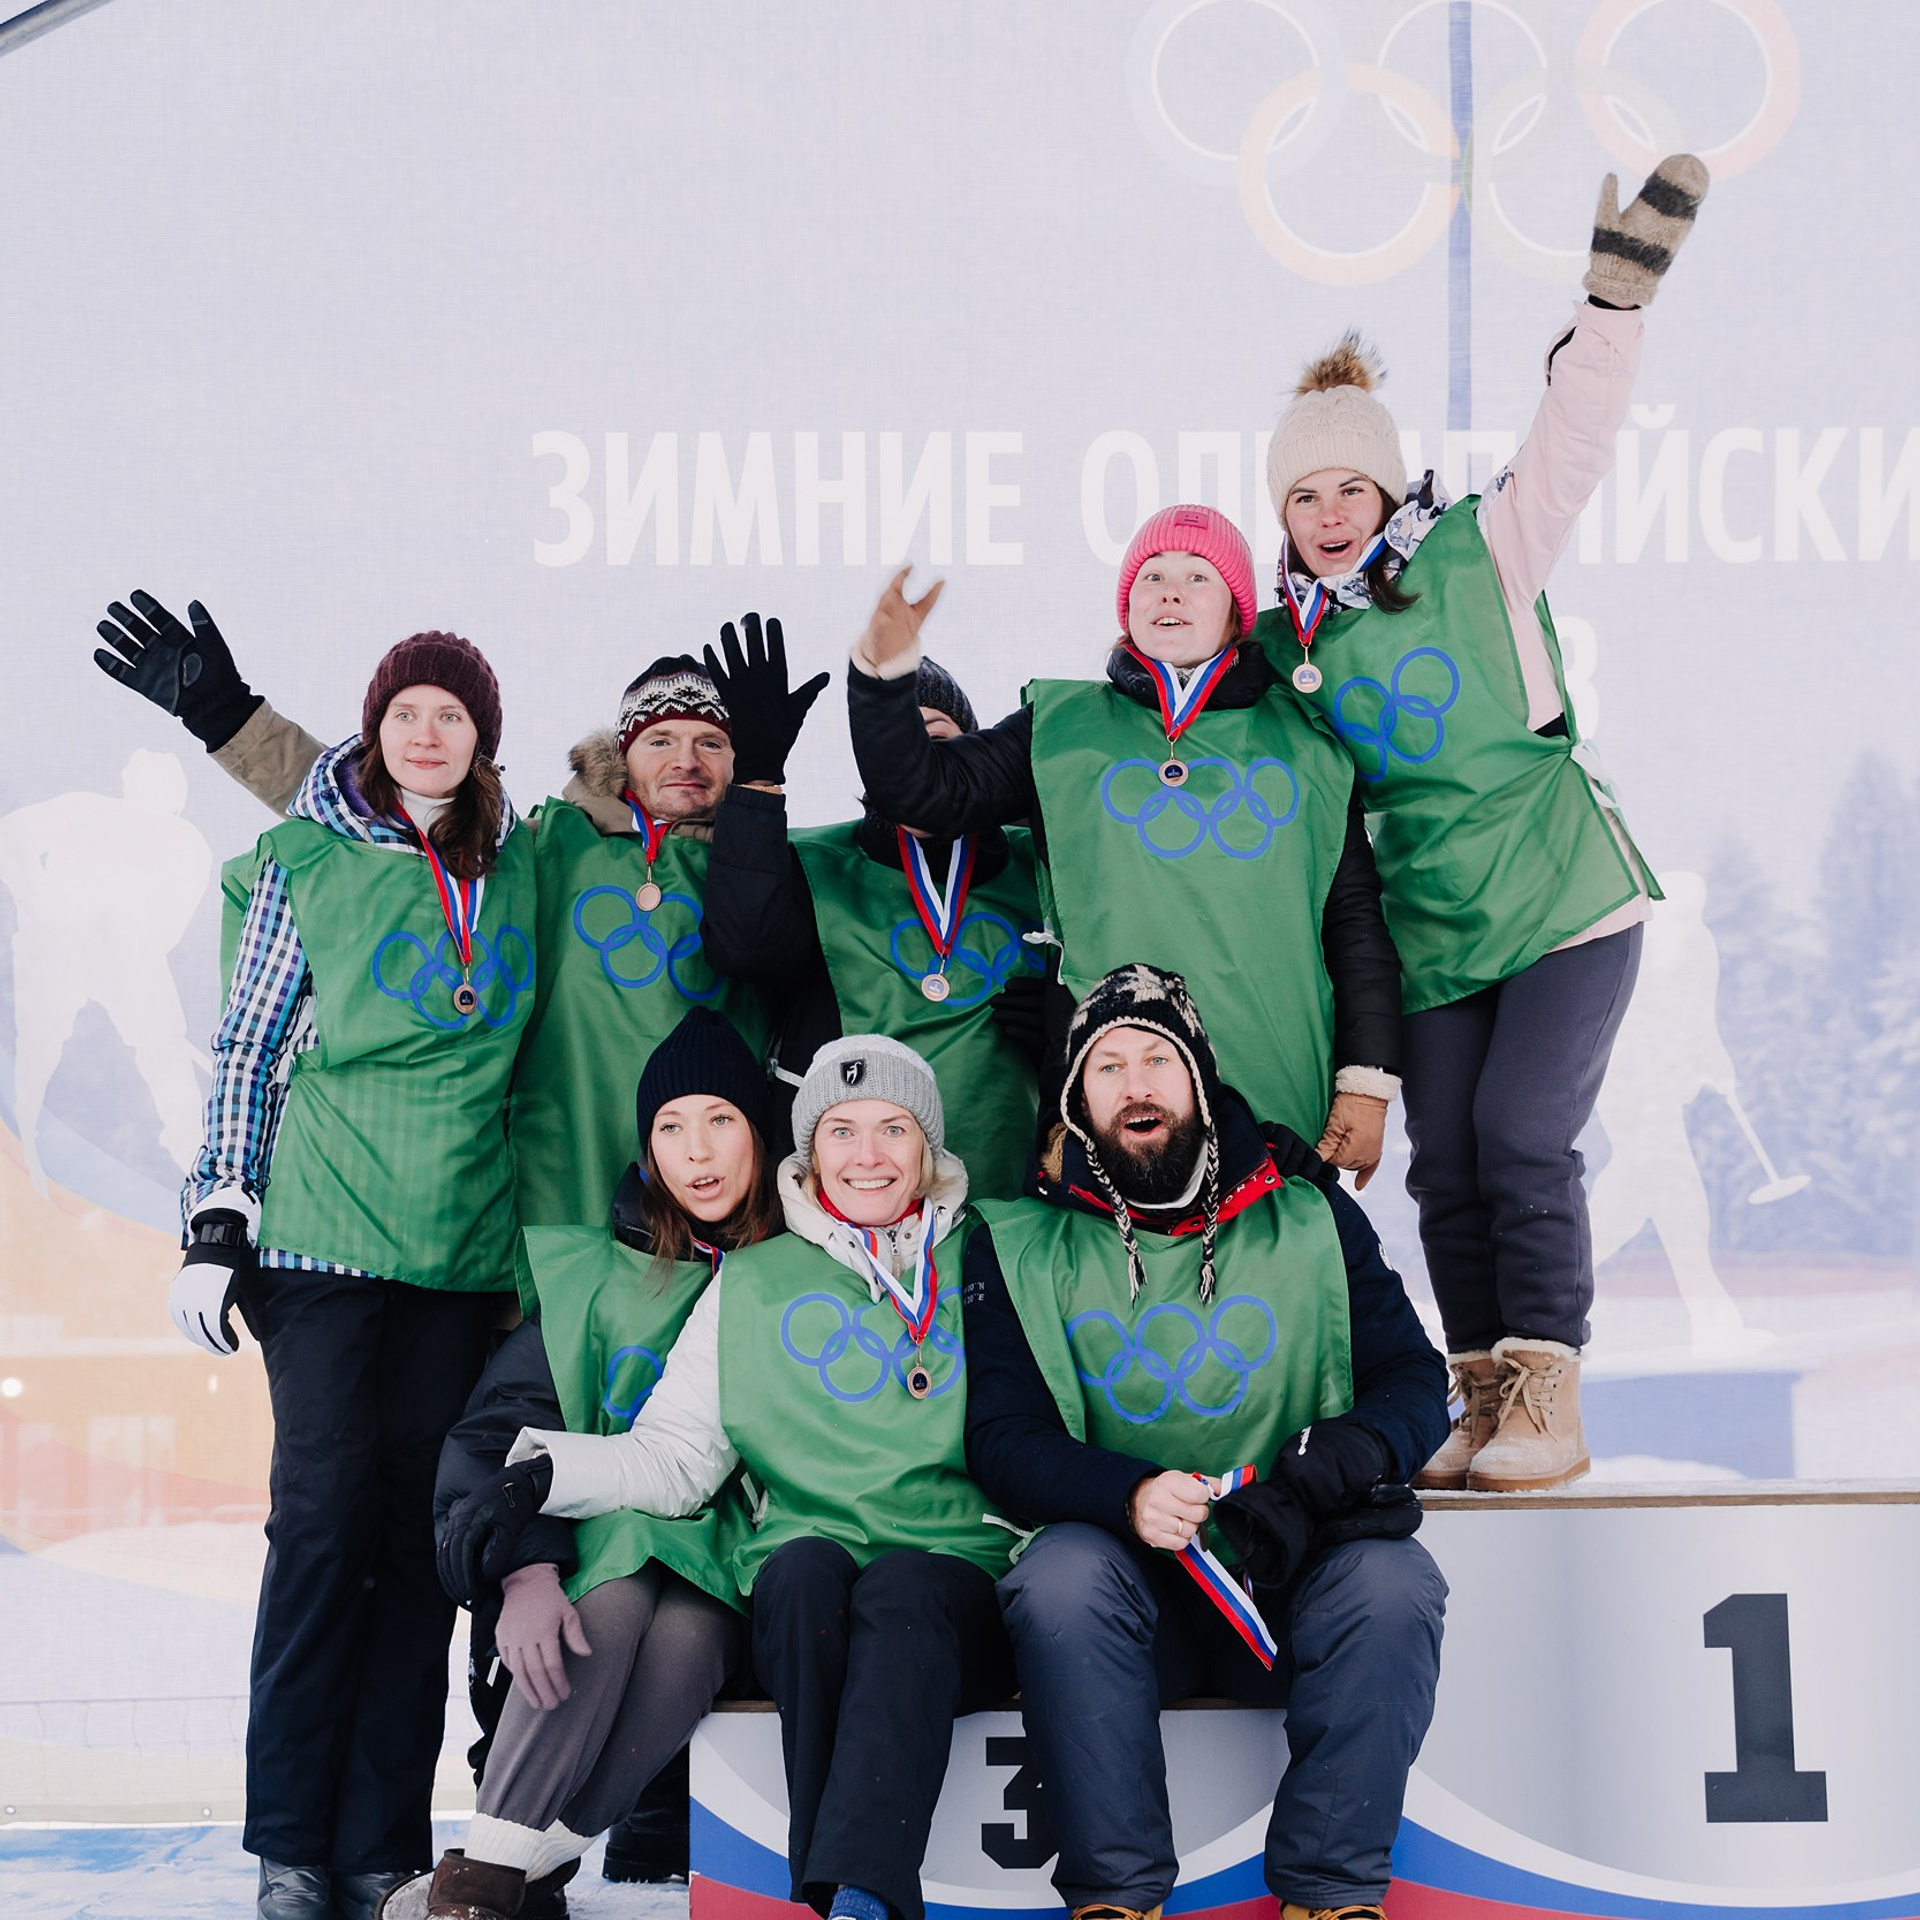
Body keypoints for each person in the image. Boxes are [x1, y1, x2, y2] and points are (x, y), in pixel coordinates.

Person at [1253, 156, 1710, 1490]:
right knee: (1446, 1159)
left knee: (1520, 1136)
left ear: (1389, 492)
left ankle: (1555, 1399)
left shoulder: (1480, 551)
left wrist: (1611, 310)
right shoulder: (1286, 645)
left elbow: (1574, 435)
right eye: (1303, 499)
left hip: (1563, 898)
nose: (1331, 516)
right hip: (1438, 927)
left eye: (1349, 490)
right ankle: (1484, 1394)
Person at [461, 1035, 1015, 1920]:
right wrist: (536, 1490)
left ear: (929, 1148)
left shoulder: (994, 1254)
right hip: (783, 1550)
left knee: (892, 1590)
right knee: (771, 1579)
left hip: (941, 1559)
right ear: (809, 1152)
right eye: (841, 1132)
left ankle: (857, 1892)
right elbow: (673, 1457)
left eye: (892, 1130)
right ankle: (500, 1867)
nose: (866, 1157)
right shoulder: (746, 1282)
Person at [963, 962, 1449, 1920]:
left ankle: (1331, 1893)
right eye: (1107, 1066)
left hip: (1290, 1561)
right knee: (1056, 1578)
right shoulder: (1019, 1242)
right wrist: (1129, 1496)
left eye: (1157, 1058)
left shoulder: (1310, 1215)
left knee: (1397, 1584)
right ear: (1077, 1099)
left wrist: (1329, 1466)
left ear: (1196, 1078)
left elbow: (1416, 1383)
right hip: (1131, 1594)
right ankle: (1116, 1899)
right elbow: (1003, 1439)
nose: (1135, 1083)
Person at [172, 634, 533, 1920]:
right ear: (374, 730)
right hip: (322, 1247)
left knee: (411, 1543)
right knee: (321, 1531)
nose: (428, 736)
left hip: (456, 1257)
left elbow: (620, 818)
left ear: (484, 737)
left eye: (454, 716)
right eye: (407, 714)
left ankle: (383, 1835)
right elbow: (252, 1041)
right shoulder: (305, 860)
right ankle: (289, 1844)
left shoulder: (518, 863)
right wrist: (217, 1212)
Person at [87, 597, 785, 1226]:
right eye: (661, 740)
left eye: (711, 742)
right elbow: (391, 814)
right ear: (621, 757)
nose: (685, 760)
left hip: (715, 1200)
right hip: (546, 1197)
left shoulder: (778, 869)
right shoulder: (549, 847)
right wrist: (228, 718)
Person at [845, 507, 1402, 1185]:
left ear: (1237, 614)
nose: (1171, 590)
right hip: (1111, 1104)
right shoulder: (1059, 729)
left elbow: (1353, 922)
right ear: (1127, 607)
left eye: (1199, 577)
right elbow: (926, 795)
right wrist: (882, 678)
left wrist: (1367, 1083)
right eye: (1152, 576)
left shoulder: (1311, 741)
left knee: (1273, 1285)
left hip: (1276, 1087)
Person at [396, 1007, 782, 1920]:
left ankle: (505, 1872)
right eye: (671, 1127)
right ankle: (491, 1880)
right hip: (594, 1545)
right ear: (648, 1150)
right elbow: (497, 1436)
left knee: (687, 1643)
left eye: (722, 1120)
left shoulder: (803, 1263)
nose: (699, 1152)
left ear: (761, 1136)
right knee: (598, 1608)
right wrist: (524, 1568)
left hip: (729, 1559)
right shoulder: (594, 1277)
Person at [700, 612, 1047, 1193]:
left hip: (1015, 1190)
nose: (915, 762)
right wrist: (757, 780)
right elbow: (745, 948)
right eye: (897, 746)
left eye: (935, 739)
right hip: (851, 1193)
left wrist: (1073, 1029)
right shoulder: (818, 862)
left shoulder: (1035, 865)